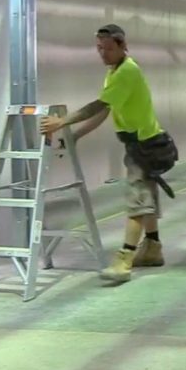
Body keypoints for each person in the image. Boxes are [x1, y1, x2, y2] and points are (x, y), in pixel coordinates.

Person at [40, 24, 166, 283]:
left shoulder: (127, 71)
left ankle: (124, 260)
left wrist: (62, 123)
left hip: (145, 146)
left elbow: (97, 105)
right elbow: (105, 111)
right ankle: (152, 248)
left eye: (108, 48)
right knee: (145, 200)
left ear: (122, 46)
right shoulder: (114, 72)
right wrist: (75, 136)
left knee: (137, 202)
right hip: (139, 145)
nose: (103, 54)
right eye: (99, 48)